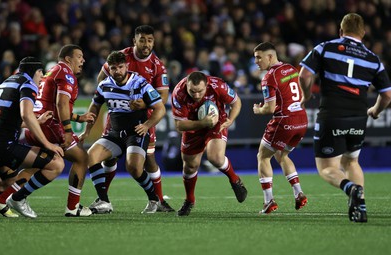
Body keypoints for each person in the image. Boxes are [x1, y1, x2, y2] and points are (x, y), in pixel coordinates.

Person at [299, 13, 391, 223]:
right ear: (363, 33)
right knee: (351, 161)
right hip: (359, 117)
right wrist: (375, 111)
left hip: (332, 114)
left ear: (341, 31)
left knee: (327, 168)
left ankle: (351, 189)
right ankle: (361, 208)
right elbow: (387, 94)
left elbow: (304, 74)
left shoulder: (326, 47)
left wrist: (306, 96)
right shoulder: (373, 58)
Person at [0, 45, 96, 217]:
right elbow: (61, 103)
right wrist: (67, 130)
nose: (83, 60)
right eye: (79, 56)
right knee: (81, 158)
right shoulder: (65, 72)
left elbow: (50, 103)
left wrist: (78, 118)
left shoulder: (50, 72)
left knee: (43, 164)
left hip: (37, 124)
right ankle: (72, 207)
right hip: (50, 126)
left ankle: (8, 197)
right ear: (68, 59)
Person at [91, 25, 173, 213]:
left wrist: (144, 105)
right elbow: (101, 80)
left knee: (148, 160)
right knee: (108, 159)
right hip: (117, 118)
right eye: (142, 39)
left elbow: (163, 97)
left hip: (143, 120)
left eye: (150, 40)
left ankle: (158, 200)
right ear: (134, 41)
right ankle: (103, 198)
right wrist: (115, 96)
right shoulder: (121, 56)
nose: (146, 44)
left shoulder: (157, 66)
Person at [79, 51, 165, 214]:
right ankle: (104, 201)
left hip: (136, 133)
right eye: (113, 68)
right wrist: (86, 131)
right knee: (91, 157)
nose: (117, 71)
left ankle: (154, 199)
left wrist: (147, 125)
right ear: (108, 69)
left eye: (120, 67)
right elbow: (95, 107)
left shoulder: (140, 83)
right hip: (115, 133)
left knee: (133, 167)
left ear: (126, 66)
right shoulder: (104, 85)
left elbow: (160, 109)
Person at [171, 71, 247, 216]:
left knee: (215, 158)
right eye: (192, 91)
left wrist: (230, 119)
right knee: (190, 166)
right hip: (192, 126)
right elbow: (179, 125)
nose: (196, 95)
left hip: (216, 122)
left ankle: (235, 180)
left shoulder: (218, 85)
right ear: (186, 85)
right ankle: (189, 200)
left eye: (200, 91)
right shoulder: (178, 93)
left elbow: (236, 102)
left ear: (207, 85)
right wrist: (202, 123)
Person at [0, 57, 64, 218]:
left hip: (2, 143)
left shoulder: (6, 82)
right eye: (41, 72)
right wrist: (47, 144)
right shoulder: (28, 84)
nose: (42, 76)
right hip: (4, 145)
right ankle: (18, 199)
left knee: (8, 180)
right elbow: (26, 114)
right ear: (34, 71)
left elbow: (7, 119)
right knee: (56, 163)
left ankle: (2, 202)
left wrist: (37, 121)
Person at [252, 42, 308, 214]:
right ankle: (299, 193)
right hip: (302, 119)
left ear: (270, 56)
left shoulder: (269, 77)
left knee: (262, 156)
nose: (256, 62)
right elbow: (303, 90)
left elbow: (269, 109)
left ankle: (268, 201)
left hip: (284, 120)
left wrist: (257, 109)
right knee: (281, 154)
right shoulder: (291, 68)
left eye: (259, 57)